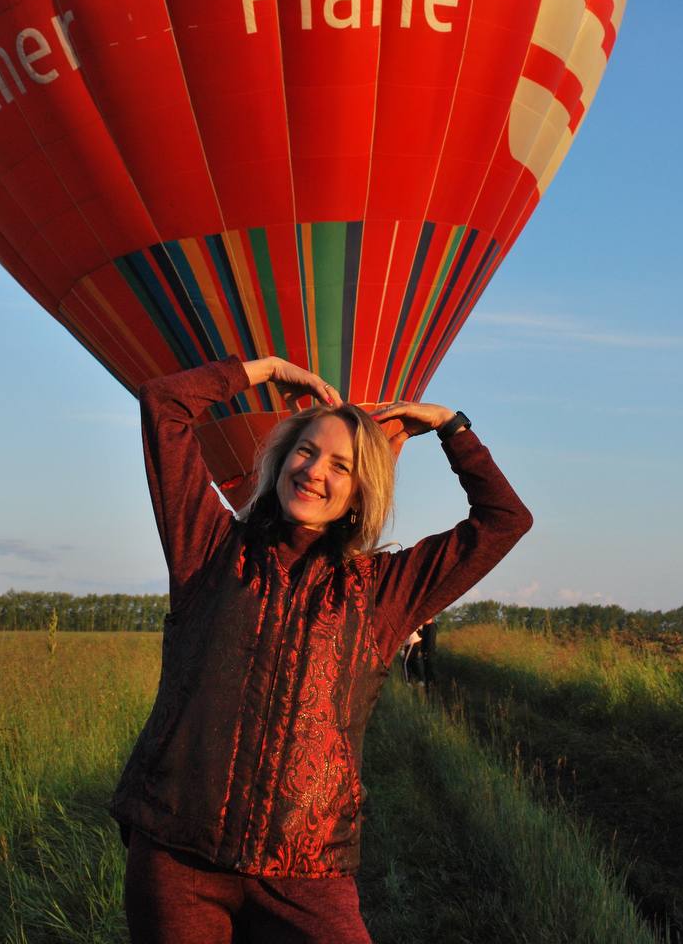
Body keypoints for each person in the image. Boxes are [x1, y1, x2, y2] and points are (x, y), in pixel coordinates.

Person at [111, 355, 532, 944]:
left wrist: (451, 427)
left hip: (306, 870)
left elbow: (504, 520)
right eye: (305, 452)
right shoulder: (207, 549)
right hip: (179, 853)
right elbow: (163, 403)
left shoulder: (382, 591)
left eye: (342, 466)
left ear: (360, 493)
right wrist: (260, 370)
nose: (314, 472)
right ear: (281, 460)